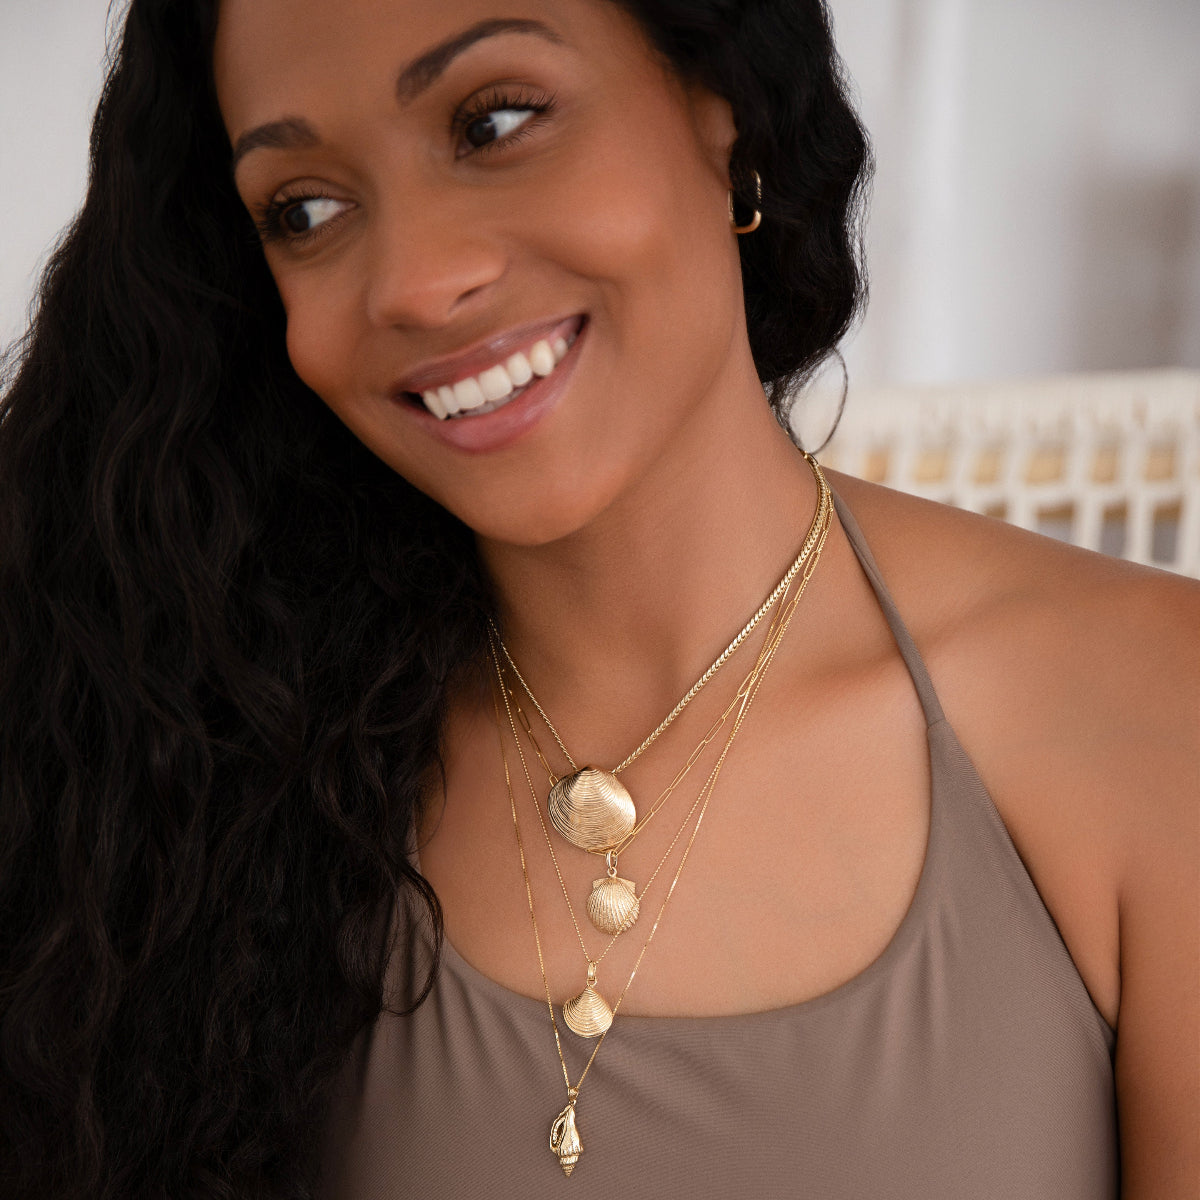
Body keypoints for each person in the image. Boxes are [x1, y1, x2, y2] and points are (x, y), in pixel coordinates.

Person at [1, 0, 1196, 1196]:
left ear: (721, 102)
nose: (416, 282)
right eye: (303, 209)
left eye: (496, 121)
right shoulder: (205, 777)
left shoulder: (1150, 714)